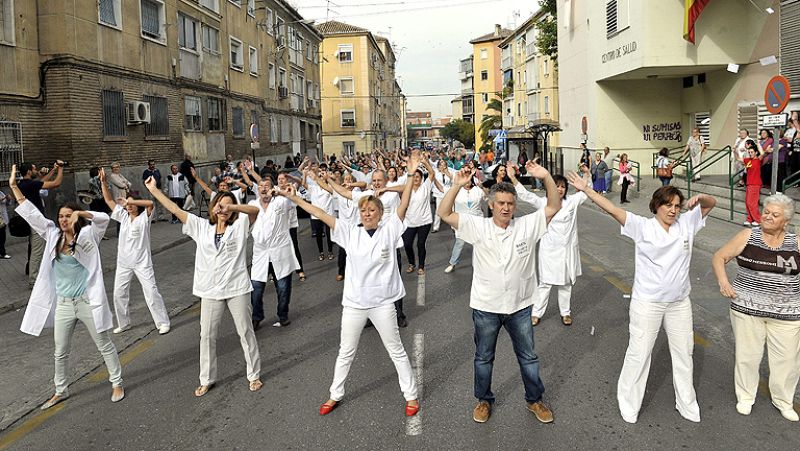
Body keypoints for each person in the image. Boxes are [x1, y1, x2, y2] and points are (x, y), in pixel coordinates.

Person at [277, 153, 420, 418]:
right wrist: (294, 198)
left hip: (382, 303)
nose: (367, 213)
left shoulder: (390, 229)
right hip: (354, 305)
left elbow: (405, 203)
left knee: (396, 350)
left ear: (380, 214)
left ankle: (410, 395)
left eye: (372, 210)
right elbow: (319, 212)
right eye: (364, 210)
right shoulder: (349, 232)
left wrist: (410, 175)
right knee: (345, 352)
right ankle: (335, 394)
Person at [566, 171, 716, 424]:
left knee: (684, 353)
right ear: (657, 206)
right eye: (668, 205)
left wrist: (702, 197)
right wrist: (586, 190)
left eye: (677, 206)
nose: (673, 210)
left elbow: (711, 204)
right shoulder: (642, 226)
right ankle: (629, 403)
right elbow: (612, 209)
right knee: (640, 353)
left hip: (679, 303)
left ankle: (686, 403)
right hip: (648, 303)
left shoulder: (687, 223)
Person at [437, 159, 560, 425]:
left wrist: (546, 177)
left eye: (510, 204)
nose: (506, 208)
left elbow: (553, 206)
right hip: (486, 307)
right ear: (491, 204)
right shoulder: (477, 226)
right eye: (501, 203)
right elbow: (445, 214)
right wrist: (457, 186)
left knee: (528, 357)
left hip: (520, 306)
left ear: (515, 206)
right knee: (483, 358)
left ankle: (534, 400)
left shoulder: (527, 225)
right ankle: (483, 400)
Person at [9, 165, 124, 409]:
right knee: (60, 352)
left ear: (76, 217)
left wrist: (82, 215)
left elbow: (104, 219)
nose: (63, 219)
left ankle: (116, 382)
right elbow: (31, 214)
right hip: (63, 304)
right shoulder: (52, 235)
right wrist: (13, 186)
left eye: (67, 215)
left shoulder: (88, 236)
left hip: (86, 302)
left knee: (103, 344)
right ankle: (61, 390)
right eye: (60, 216)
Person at [145, 176, 263, 397]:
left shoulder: (239, 225)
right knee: (206, 335)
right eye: (220, 204)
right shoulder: (201, 226)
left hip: (236, 288)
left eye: (227, 206)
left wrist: (232, 204)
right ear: (213, 206)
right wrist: (154, 190)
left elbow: (254, 211)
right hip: (209, 290)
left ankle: (253, 374)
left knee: (245, 332)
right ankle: (207, 378)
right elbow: (174, 208)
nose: (223, 209)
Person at [712, 194, 800, 422]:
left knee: (788, 360)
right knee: (747, 356)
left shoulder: (795, 242)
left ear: (786, 222)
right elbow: (720, 257)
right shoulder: (748, 235)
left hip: (788, 315)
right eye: (766, 212)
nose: (768, 217)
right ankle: (745, 396)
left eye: (775, 214)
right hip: (747, 310)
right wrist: (724, 282)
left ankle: (783, 401)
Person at [509, 163, 590, 326]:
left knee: (566, 284)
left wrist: (588, 174)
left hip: (567, 250)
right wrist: (512, 177)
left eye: (562, 187)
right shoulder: (543, 202)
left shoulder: (572, 202)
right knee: (545, 283)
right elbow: (525, 195)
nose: (559, 189)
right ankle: (536, 313)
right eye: (556, 186)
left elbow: (587, 192)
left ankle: (565, 313)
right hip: (548, 251)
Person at [98, 168, 170, 335]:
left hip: (142, 263)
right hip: (124, 263)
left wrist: (130, 201)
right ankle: (124, 323)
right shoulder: (123, 217)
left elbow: (150, 204)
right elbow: (108, 200)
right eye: (127, 205)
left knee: (151, 292)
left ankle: (162, 322)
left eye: (132, 205)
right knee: (118, 294)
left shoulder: (144, 218)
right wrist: (103, 182)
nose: (129, 207)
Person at [249, 177, 299, 329]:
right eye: (261, 186)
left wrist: (281, 192)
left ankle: (283, 315)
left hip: (280, 252)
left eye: (267, 186)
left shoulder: (281, 202)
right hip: (261, 254)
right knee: (256, 289)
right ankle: (257, 316)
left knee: (283, 289)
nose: (263, 188)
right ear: (258, 190)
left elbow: (294, 200)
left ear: (272, 188)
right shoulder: (252, 204)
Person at [18, 161, 64, 286]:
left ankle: (47, 272)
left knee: (45, 246)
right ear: (28, 172)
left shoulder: (23, 184)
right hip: (36, 221)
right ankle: (33, 280)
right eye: (34, 169)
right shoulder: (29, 184)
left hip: (35, 220)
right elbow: (55, 183)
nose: (36, 170)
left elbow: (41, 182)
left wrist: (52, 171)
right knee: (37, 251)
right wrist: (60, 169)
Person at [443, 172, 487, 274]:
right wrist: (452, 222)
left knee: (478, 244)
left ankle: (479, 265)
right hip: (461, 221)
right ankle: (452, 263)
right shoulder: (457, 191)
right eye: (466, 180)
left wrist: (483, 186)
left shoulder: (478, 190)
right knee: (459, 243)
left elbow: (487, 198)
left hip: (477, 220)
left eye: (470, 179)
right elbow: (450, 204)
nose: (468, 182)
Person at [277, 172, 306, 282]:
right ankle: (277, 272)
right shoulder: (274, 190)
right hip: (279, 226)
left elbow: (299, 181)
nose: (281, 181)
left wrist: (291, 180)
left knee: (294, 247)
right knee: (278, 249)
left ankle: (300, 270)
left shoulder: (292, 189)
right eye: (279, 179)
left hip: (291, 225)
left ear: (287, 180)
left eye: (283, 179)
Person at [302, 166, 336, 261]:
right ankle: (321, 252)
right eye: (319, 177)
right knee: (318, 235)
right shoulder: (314, 188)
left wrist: (330, 177)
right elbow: (303, 184)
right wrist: (304, 174)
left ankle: (330, 251)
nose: (321, 179)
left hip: (328, 214)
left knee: (329, 235)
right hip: (316, 215)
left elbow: (336, 182)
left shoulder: (329, 187)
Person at [736, 140, 764, 226]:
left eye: (752, 152)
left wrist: (758, 144)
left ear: (756, 152)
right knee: (748, 202)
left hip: (755, 184)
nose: (750, 153)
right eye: (749, 152)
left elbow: (762, 153)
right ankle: (750, 219)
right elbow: (738, 158)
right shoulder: (748, 160)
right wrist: (735, 150)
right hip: (749, 184)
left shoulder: (758, 160)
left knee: (752, 203)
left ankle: (758, 220)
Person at [432, 159, 455, 233]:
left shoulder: (450, 171)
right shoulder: (435, 172)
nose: (443, 166)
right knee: (438, 210)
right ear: (439, 166)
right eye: (441, 164)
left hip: (449, 193)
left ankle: (454, 226)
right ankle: (436, 227)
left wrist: (446, 172)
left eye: (444, 164)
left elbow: (453, 179)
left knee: (452, 209)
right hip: (439, 193)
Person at [0, 189, 11, 259]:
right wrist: (3, 198)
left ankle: (1, 252)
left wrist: (8, 199)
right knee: (1, 236)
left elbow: (7, 203)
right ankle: (2, 253)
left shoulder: (1, 192)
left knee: (2, 236)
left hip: (3, 218)